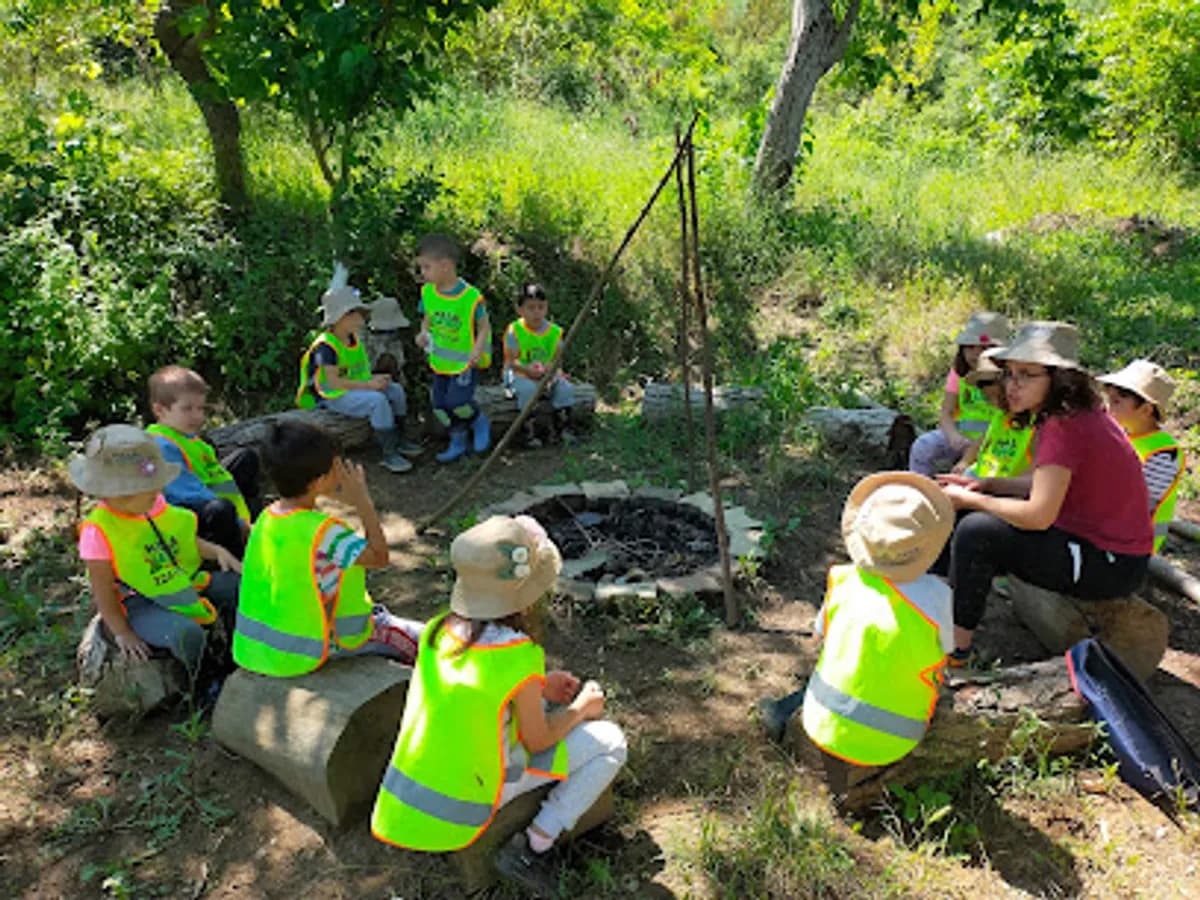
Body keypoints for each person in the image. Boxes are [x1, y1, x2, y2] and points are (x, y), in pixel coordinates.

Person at [371, 515, 627, 898]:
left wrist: (538, 688)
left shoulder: (439, 630)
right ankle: (533, 847)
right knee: (610, 742)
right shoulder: (520, 654)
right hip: (470, 798)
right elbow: (538, 740)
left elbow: (478, 690)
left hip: (407, 795)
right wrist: (581, 709)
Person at [937, 322, 1152, 666]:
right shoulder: (1070, 416)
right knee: (965, 515)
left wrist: (973, 499)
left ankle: (955, 652)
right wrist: (989, 485)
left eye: (1026, 375)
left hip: (1111, 562)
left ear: (1059, 378)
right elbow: (1046, 483)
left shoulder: (1065, 426)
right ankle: (930, 607)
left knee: (978, 531)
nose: (1012, 385)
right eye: (1009, 374)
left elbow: (1039, 515)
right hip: (1090, 544)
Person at [757, 473, 954, 791]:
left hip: (823, 720)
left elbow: (817, 636)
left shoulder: (843, 579)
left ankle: (784, 710)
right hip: (899, 737)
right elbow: (945, 650)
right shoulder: (938, 596)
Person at [233, 421, 423, 676]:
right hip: (319, 644)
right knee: (425, 640)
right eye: (337, 465)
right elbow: (379, 557)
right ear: (319, 481)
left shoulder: (266, 519)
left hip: (258, 650)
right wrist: (362, 502)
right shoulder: (324, 532)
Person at [72, 424, 241, 681]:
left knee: (239, 586)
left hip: (180, 581)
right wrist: (122, 631)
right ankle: (201, 677)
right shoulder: (98, 531)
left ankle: (234, 649)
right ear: (118, 494)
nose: (159, 492)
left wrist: (216, 551)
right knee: (185, 634)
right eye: (151, 490)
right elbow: (103, 589)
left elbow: (182, 539)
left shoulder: (153, 503)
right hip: (139, 601)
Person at [297, 285, 423, 474]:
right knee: (377, 401)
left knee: (395, 390)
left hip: (352, 388)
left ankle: (400, 438)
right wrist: (369, 385)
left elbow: (355, 373)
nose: (361, 319)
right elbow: (332, 382)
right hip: (330, 396)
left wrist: (376, 379)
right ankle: (389, 453)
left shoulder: (353, 338)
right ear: (341, 317)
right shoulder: (326, 347)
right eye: (356, 314)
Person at [147, 365, 261, 559]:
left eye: (200, 408)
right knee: (221, 510)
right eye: (187, 409)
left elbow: (209, 469)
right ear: (160, 410)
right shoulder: (162, 446)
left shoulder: (183, 434)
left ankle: (251, 519)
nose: (197, 416)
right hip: (186, 509)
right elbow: (189, 494)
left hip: (205, 486)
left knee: (245, 458)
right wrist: (237, 520)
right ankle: (237, 553)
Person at [413, 234, 493, 463]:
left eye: (426, 267)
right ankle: (457, 440)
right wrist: (423, 333)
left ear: (446, 266)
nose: (423, 273)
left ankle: (478, 421)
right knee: (439, 405)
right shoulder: (427, 292)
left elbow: (484, 327)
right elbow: (428, 317)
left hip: (465, 363)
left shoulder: (471, 298)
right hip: (440, 363)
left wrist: (478, 349)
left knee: (458, 403)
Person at [909, 311, 1012, 476]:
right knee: (923, 446)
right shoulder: (959, 373)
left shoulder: (1010, 378)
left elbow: (1005, 418)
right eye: (970, 347)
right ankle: (921, 488)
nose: (977, 353)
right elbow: (946, 412)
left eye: (985, 348)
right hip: (961, 435)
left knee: (971, 473)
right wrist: (953, 436)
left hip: (996, 442)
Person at [1098, 360, 1184, 554]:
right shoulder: (1122, 436)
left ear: (1146, 409)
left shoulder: (1163, 452)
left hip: (1132, 547)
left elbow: (1137, 507)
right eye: (1108, 399)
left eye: (1116, 402)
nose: (1107, 407)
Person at [504, 282, 576, 448]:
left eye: (540, 307)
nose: (536, 313)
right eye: (531, 308)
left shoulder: (555, 332)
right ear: (520, 309)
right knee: (528, 389)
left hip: (547, 374)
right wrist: (527, 370)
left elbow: (558, 359)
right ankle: (529, 432)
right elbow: (512, 361)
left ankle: (563, 428)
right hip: (520, 373)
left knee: (565, 387)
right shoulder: (514, 330)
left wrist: (550, 371)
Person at [954, 349, 1037, 487]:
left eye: (999, 399)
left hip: (1005, 487)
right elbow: (981, 441)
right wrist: (964, 462)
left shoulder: (1035, 424)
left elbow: (1033, 474)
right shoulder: (1000, 416)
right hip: (980, 475)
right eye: (989, 400)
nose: (994, 404)